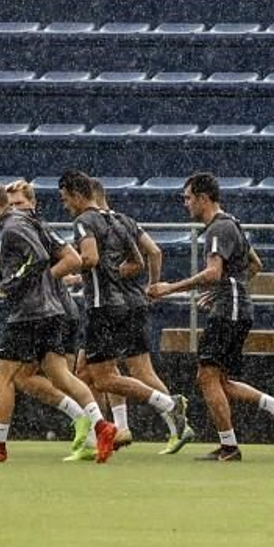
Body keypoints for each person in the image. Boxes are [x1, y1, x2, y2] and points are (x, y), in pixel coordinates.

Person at [147, 172, 274, 462]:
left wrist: (170, 288)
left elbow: (215, 272)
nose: (186, 204)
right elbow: (255, 264)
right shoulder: (233, 224)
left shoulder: (218, 229)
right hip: (235, 308)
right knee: (221, 380)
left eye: (188, 198)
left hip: (230, 311)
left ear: (203, 198)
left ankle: (230, 446)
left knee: (207, 377)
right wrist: (228, 291)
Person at [0, 183, 119, 464]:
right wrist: (0, 272)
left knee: (2, 377)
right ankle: (101, 425)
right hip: (52, 311)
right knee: (60, 376)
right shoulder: (30, 221)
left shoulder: (13, 227)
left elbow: (39, 258)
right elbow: (49, 256)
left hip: (29, 313)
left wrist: (9, 282)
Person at [57, 171, 189, 451]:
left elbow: (90, 258)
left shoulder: (84, 222)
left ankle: (167, 406)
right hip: (121, 304)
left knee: (106, 376)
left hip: (101, 306)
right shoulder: (118, 220)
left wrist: (61, 266)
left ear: (79, 195)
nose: (65, 205)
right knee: (91, 371)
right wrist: (116, 275)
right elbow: (140, 260)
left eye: (66, 198)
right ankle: (113, 430)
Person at [96, 179, 195, 454]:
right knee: (125, 369)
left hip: (114, 306)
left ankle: (165, 418)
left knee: (106, 369)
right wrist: (152, 285)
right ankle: (131, 426)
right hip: (134, 302)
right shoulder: (126, 221)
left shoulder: (96, 225)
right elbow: (155, 251)